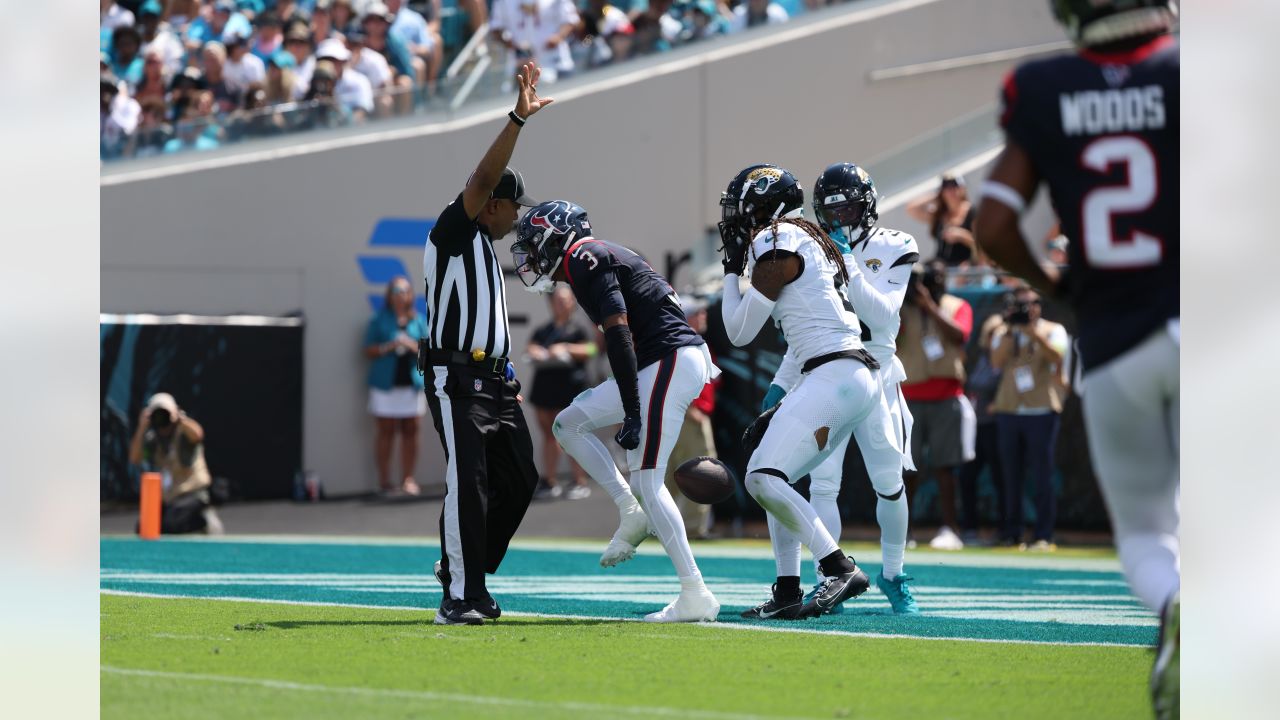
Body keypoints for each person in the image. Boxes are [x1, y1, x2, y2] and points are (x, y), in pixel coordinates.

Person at [973, 3, 1179, 713]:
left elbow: (992, 224)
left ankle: (1182, 605)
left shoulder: (1045, 85)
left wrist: (1058, 295)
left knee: (1149, 534)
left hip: (1118, 339)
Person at [511, 199, 721, 623]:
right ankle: (630, 512)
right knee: (568, 424)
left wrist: (632, 411)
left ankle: (695, 593)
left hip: (668, 360)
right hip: (659, 363)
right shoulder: (587, 260)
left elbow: (620, 335)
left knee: (647, 478)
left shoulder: (583, 257)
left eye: (535, 245)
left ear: (558, 236)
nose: (532, 256)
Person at [718, 164, 882, 620]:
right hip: (840, 373)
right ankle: (788, 589)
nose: (736, 220)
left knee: (761, 477)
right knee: (774, 474)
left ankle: (838, 566)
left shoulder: (777, 238)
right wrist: (781, 387)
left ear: (762, 205)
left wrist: (731, 272)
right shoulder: (806, 238)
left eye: (740, 208)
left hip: (836, 374)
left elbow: (738, 330)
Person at [421, 62, 551, 626]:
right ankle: (461, 593)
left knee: (521, 478)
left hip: (494, 380)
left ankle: (464, 568)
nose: (517, 217)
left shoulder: (486, 253)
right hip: (456, 378)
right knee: (467, 481)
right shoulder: (453, 234)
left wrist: (508, 376)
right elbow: (479, 179)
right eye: (513, 206)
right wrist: (517, 118)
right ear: (491, 204)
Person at [760, 163, 920, 616]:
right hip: (829, 371)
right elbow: (812, 329)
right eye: (833, 211)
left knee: (888, 481)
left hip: (877, 372)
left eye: (849, 207)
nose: (841, 218)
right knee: (823, 483)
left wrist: (847, 259)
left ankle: (893, 572)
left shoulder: (893, 245)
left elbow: (884, 315)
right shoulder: (813, 249)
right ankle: (828, 580)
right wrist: (780, 382)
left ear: (867, 205)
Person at [897, 259, 975, 550]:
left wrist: (930, 305)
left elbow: (960, 336)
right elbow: (889, 339)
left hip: (946, 396)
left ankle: (950, 529)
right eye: (928, 277)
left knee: (946, 468)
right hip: (910, 396)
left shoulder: (957, 305)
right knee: (908, 469)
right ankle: (903, 531)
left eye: (939, 277)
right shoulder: (902, 306)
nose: (933, 281)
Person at [989, 286, 1068, 550]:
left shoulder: (1053, 329)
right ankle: (1012, 532)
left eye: (1032, 303)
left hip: (1041, 410)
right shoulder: (1005, 331)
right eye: (1022, 304)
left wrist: (1033, 332)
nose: (1027, 308)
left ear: (1039, 305)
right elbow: (996, 362)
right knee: (1010, 474)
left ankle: (1044, 534)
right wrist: (1014, 331)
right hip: (1009, 409)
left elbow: (1057, 355)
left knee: (1042, 474)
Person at [527, 286, 595, 501]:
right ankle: (549, 481)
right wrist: (534, 351)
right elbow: (529, 348)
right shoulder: (543, 330)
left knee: (572, 434)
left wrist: (566, 348)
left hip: (571, 389)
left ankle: (579, 480)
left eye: (565, 300)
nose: (561, 304)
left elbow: (591, 350)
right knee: (549, 435)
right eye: (557, 300)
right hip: (545, 388)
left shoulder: (579, 329)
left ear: (573, 302)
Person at [364, 276, 429, 496]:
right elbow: (368, 349)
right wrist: (389, 346)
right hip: (385, 386)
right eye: (396, 291)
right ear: (389, 295)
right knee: (386, 431)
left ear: (410, 295)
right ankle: (384, 481)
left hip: (411, 385)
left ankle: (408, 479)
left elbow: (428, 352)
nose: (400, 295)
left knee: (411, 430)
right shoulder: (379, 319)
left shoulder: (418, 320)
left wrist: (411, 346)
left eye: (404, 291)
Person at [661, 297, 718, 539]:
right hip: (689, 415)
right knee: (702, 471)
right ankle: (695, 528)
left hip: (681, 413)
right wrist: (690, 407)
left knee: (672, 474)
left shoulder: (685, 341)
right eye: (697, 312)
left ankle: (655, 524)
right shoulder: (682, 342)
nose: (702, 316)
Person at [128, 392, 223, 535]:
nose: (162, 419)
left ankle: (204, 521)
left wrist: (179, 417)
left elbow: (198, 434)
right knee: (144, 527)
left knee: (172, 524)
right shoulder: (152, 440)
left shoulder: (184, 432)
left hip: (192, 494)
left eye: (165, 413)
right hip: (169, 498)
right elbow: (135, 458)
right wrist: (142, 426)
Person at [958, 296, 1009, 543]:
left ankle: (1005, 530)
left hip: (996, 426)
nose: (994, 340)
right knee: (967, 477)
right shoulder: (981, 359)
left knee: (1002, 478)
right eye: (992, 335)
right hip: (975, 427)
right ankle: (969, 529)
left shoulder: (1007, 361)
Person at [490, 0, 579, 85]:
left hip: (555, 60)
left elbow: (570, 19)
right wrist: (511, 45)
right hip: (524, 65)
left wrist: (558, 36)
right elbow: (496, 27)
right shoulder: (503, 2)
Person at [906, 174, 976, 267]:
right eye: (946, 188)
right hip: (940, 268)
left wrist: (962, 236)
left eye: (954, 186)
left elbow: (981, 245)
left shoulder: (972, 212)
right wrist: (937, 196)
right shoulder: (939, 215)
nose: (951, 191)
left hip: (965, 270)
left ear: (962, 188)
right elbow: (912, 208)